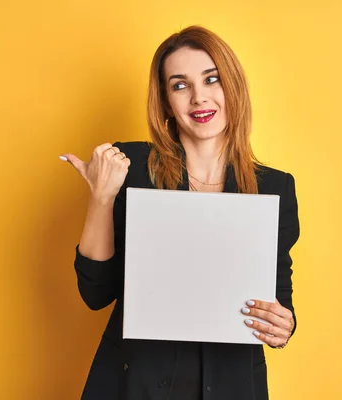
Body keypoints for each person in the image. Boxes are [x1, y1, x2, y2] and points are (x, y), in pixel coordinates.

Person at [61, 25, 300, 400]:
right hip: (134, 384)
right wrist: (101, 198)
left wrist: (283, 325)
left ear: (232, 86)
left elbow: (278, 296)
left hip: (232, 385)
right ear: (166, 100)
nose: (199, 98)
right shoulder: (134, 167)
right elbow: (96, 292)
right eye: (180, 85)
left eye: (212, 79)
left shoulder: (275, 186)